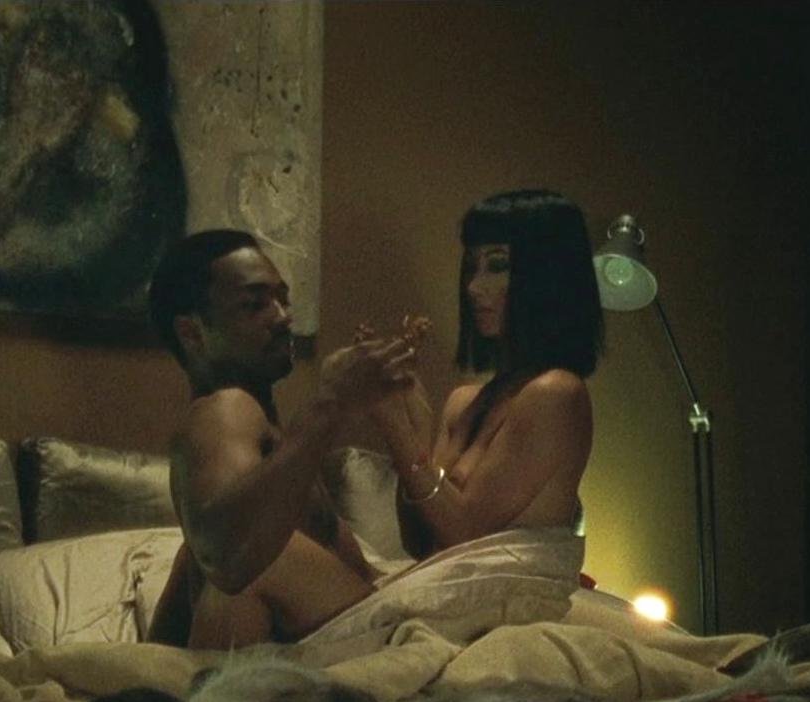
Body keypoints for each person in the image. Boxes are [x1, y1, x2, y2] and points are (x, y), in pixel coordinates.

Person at [145, 230, 415, 648]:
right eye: (254, 305)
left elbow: (206, 569)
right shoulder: (225, 410)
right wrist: (330, 404)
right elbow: (231, 565)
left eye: (283, 299)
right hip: (344, 651)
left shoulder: (266, 436)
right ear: (192, 333)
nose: (283, 317)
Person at [369, 189, 602, 557]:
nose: (474, 287)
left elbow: (464, 534)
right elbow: (420, 542)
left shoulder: (556, 393)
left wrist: (394, 427)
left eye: (497, 266)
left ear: (547, 276)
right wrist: (414, 425)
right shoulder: (464, 403)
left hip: (504, 584)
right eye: (471, 268)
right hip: (443, 576)